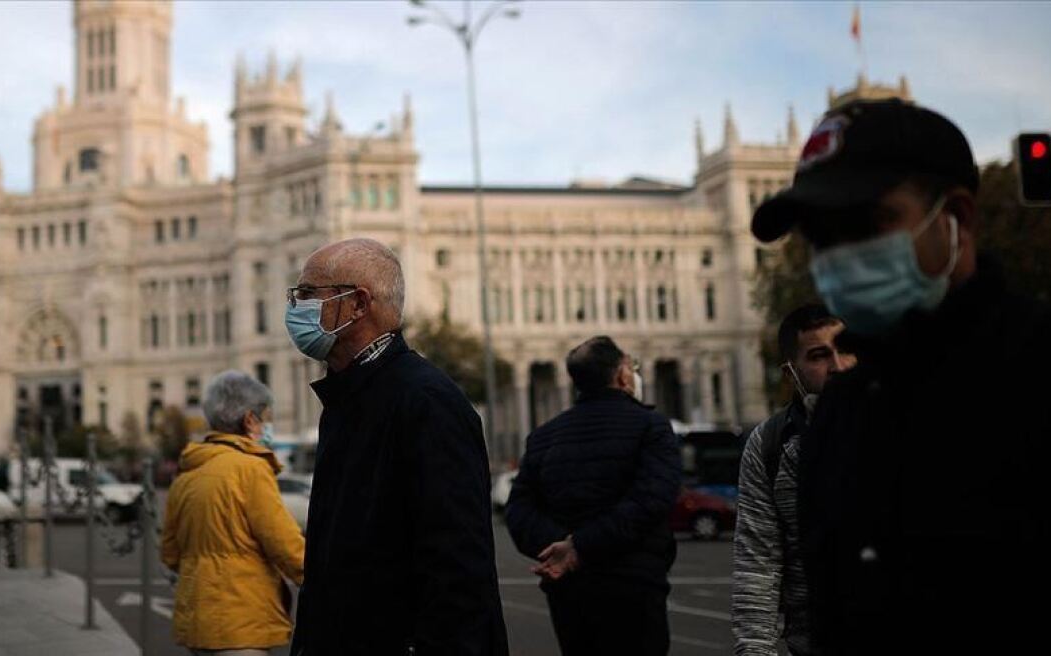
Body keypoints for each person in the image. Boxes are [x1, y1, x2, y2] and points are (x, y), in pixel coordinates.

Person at [751, 98, 1051, 653]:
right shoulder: (837, 415)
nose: (841, 254)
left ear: (957, 218)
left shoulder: (1044, 369)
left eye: (868, 223)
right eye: (822, 236)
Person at [284, 238, 507, 656]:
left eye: (309, 293)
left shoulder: (425, 401)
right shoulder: (349, 398)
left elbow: (457, 567)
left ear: (358, 304)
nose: (296, 307)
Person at [506, 336, 681, 656]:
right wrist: (578, 546)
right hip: (635, 585)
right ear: (622, 375)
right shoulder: (651, 427)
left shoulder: (544, 436)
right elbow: (651, 501)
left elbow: (518, 511)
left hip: (570, 589)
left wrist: (561, 548)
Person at [732, 305, 856, 656]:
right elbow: (758, 563)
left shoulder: (902, 420)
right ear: (792, 372)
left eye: (846, 349)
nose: (839, 366)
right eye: (819, 356)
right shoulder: (770, 443)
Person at [161, 370, 305, 656]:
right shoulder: (250, 469)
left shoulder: (187, 473)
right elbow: (284, 544)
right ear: (249, 419)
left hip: (197, 623)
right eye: (266, 417)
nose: (267, 426)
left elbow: (170, 553)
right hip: (241, 622)